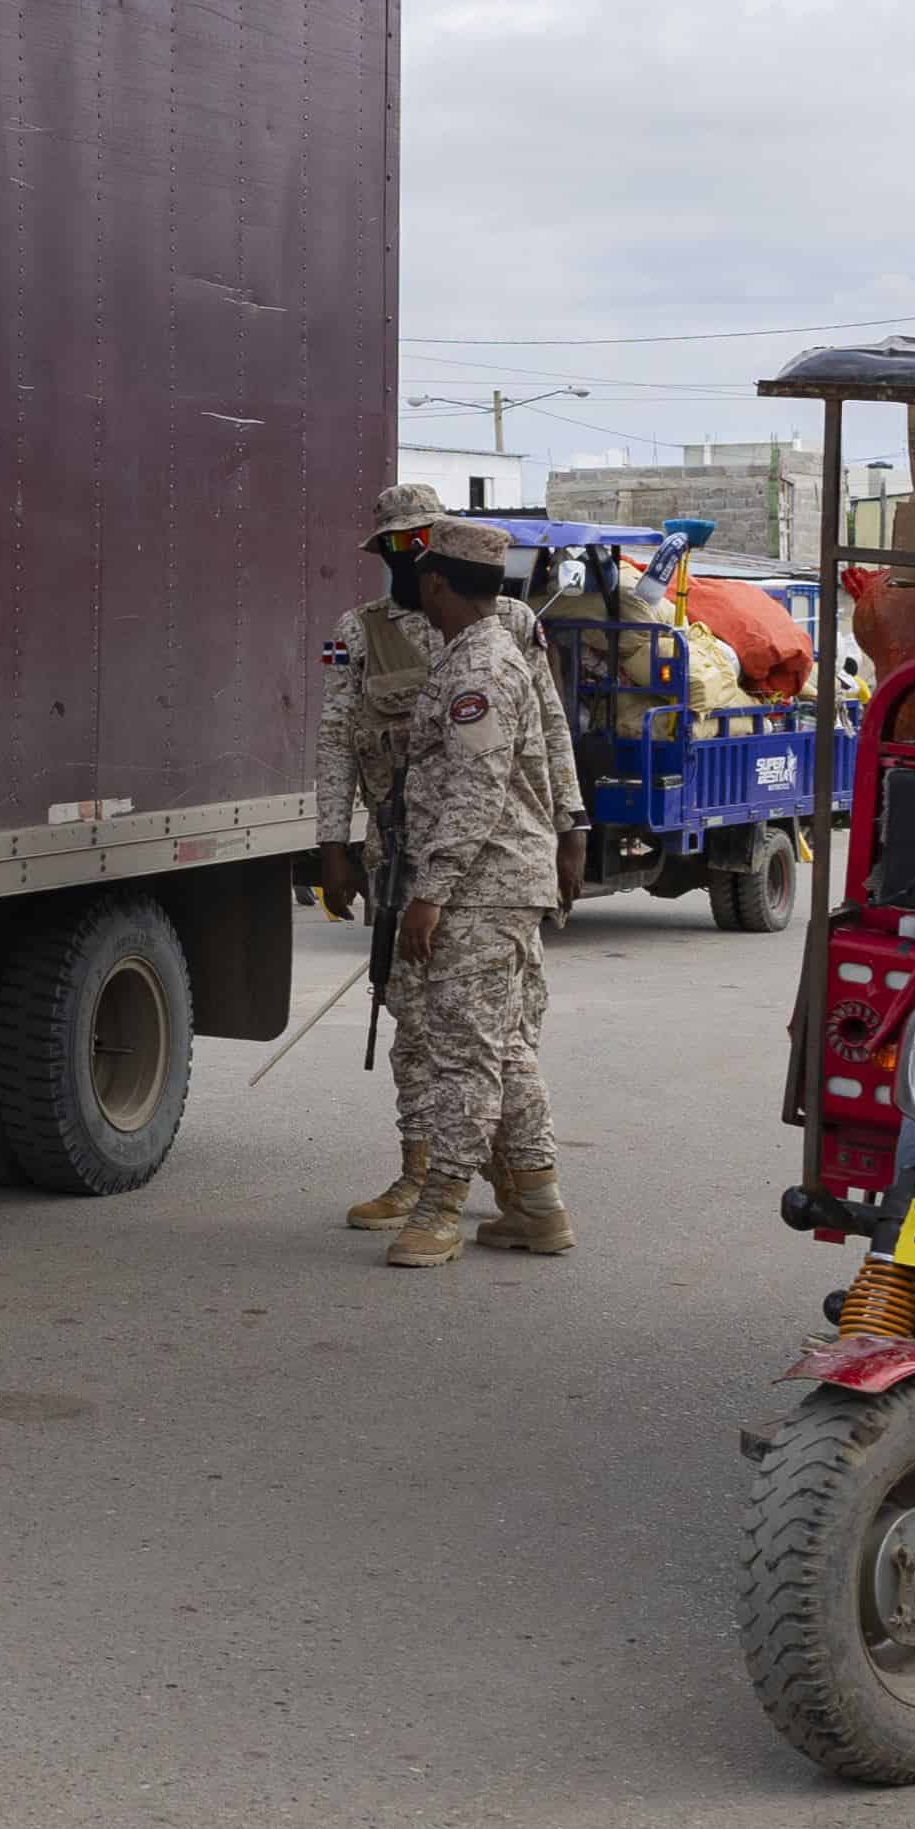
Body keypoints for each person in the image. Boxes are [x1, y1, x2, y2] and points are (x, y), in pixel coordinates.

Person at [368, 520, 584, 1272]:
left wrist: (431, 893)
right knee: (508, 1049)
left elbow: (476, 787)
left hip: (478, 889)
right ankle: (537, 1205)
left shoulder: (479, 669)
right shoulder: (488, 652)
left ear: (434, 584)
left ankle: (442, 1210)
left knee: (464, 1054)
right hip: (499, 883)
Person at [310, 480, 457, 1229]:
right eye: (396, 544)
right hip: (394, 850)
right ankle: (422, 1172)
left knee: (485, 1024)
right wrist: (331, 844)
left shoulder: (493, 623)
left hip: (478, 854)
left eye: (421, 539)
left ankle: (501, 1171)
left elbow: (542, 734)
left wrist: (569, 823)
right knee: (411, 1018)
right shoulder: (358, 631)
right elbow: (336, 737)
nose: (410, 554)